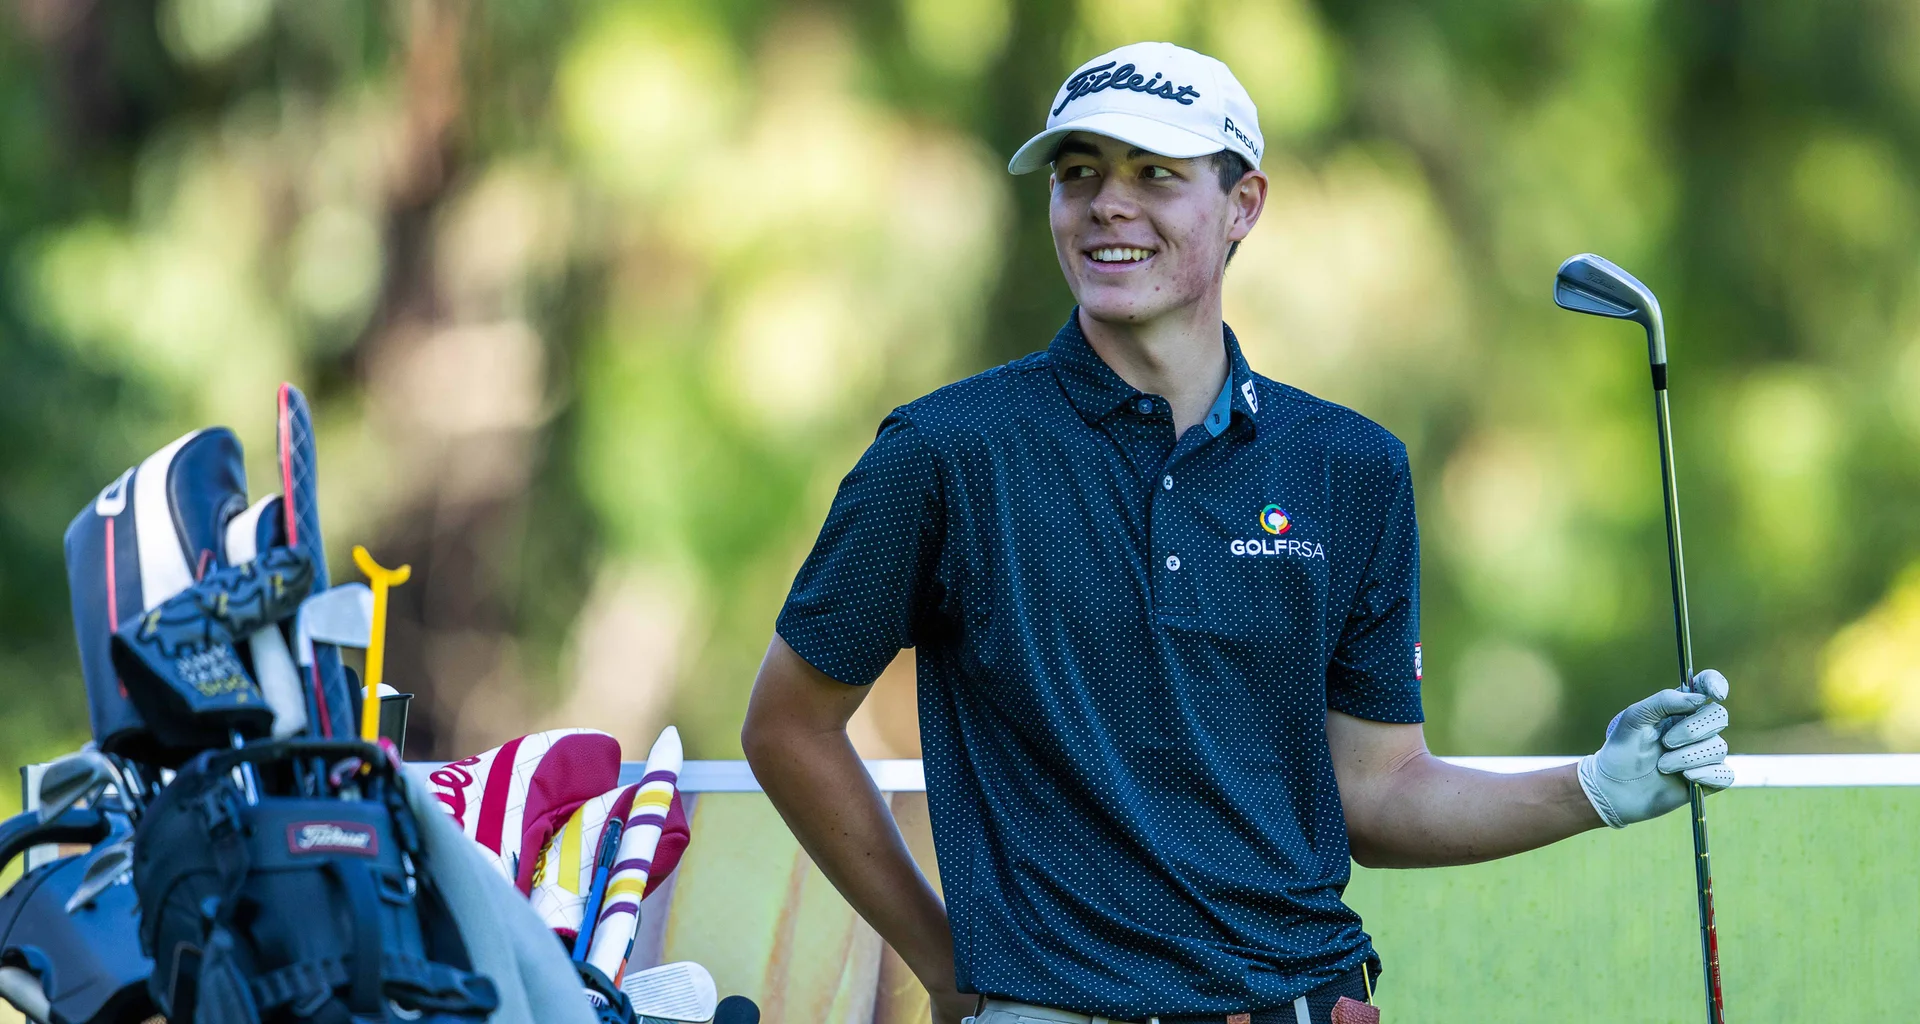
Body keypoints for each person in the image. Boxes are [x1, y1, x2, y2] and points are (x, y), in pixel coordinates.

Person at [740, 41, 1733, 1024]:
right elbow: (788, 722)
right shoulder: (949, 452)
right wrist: (946, 959)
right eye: (1078, 174)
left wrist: (1593, 787)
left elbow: (1377, 792)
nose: (1107, 205)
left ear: (1243, 204)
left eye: (1155, 176)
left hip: (1301, 1002)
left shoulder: (1349, 467)